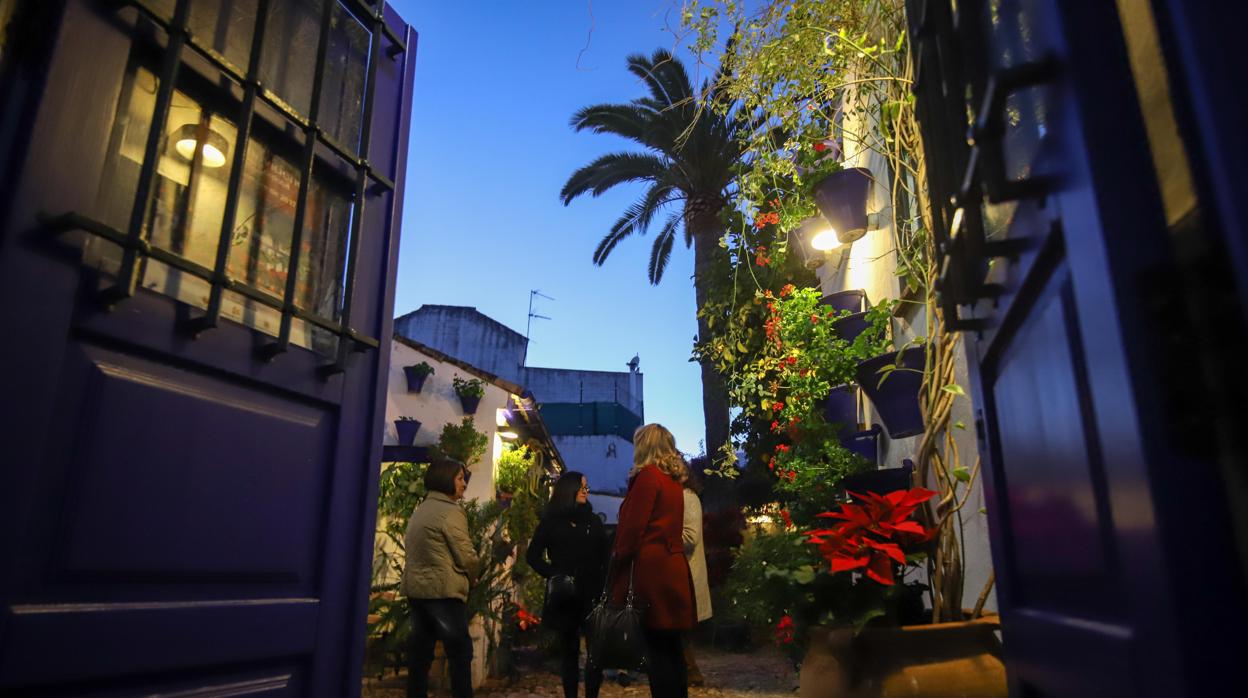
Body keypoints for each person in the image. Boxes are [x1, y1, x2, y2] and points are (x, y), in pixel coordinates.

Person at [610, 423, 695, 698]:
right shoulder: (673, 481)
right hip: (673, 570)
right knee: (672, 649)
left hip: (651, 574)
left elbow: (632, 529)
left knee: (657, 652)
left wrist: (617, 559)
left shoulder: (648, 477)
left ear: (644, 445)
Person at [526, 471, 609, 698]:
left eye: (586, 487)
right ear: (568, 490)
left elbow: (606, 555)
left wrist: (604, 584)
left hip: (592, 594)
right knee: (569, 654)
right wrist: (554, 575)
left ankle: (592, 693)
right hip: (565, 596)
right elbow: (532, 555)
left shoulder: (592, 520)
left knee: (596, 654)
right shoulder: (551, 521)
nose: (586, 491)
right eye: (581, 487)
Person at [403, 458, 480, 698]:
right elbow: (466, 555)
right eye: (459, 478)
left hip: (418, 592)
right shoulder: (450, 511)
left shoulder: (422, 509)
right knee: (460, 653)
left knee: (420, 656)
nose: (464, 484)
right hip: (443, 593)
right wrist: (473, 574)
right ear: (445, 479)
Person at [680, 467, 712, 687]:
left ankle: (692, 673)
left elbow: (689, 537)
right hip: (682, 573)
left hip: (686, 573)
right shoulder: (683, 496)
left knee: (680, 631)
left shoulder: (687, 498)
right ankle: (689, 673)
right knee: (679, 632)